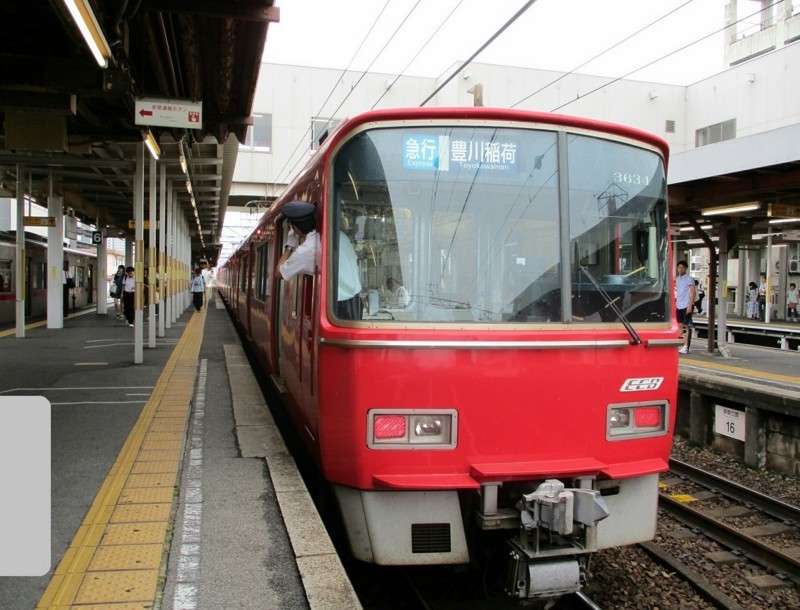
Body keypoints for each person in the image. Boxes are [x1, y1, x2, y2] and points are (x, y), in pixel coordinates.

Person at [277, 200, 363, 320]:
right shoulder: (341, 236)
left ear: (294, 228)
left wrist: (289, 246)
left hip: (336, 309)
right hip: (356, 304)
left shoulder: (306, 250)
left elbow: (279, 273)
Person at [675, 260, 696, 354]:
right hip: (679, 305)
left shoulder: (689, 279)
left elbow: (693, 293)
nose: (680, 269)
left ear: (686, 268)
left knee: (687, 326)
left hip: (686, 305)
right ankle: (680, 344)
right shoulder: (677, 279)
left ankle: (686, 346)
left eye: (682, 267)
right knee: (679, 325)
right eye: (679, 267)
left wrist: (690, 305)